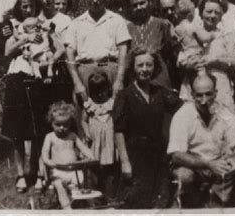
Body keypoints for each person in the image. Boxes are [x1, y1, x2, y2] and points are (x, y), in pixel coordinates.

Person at [114, 47, 183, 208]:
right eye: (140, 65)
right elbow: (119, 131)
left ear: (155, 67)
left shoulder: (161, 92)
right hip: (135, 158)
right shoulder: (125, 96)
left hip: (159, 157)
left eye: (149, 65)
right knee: (136, 203)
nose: (145, 69)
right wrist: (125, 162)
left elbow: (184, 109)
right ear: (132, 68)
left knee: (160, 203)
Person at [168, 73, 235, 208]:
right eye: (199, 95)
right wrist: (208, 164)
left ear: (216, 93)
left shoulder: (224, 113)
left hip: (217, 163)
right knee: (184, 175)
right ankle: (189, 204)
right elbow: (176, 155)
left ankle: (215, 202)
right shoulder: (182, 115)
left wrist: (234, 157)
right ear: (192, 95)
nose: (204, 100)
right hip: (194, 165)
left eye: (208, 94)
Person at [65, 0, 131, 134]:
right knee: (85, 116)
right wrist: (77, 83)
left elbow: (123, 51)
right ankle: (88, 153)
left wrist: (119, 80)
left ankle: (115, 155)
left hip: (110, 69)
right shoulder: (76, 23)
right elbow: (69, 55)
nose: (95, 0)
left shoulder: (116, 20)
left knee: (114, 114)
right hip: (85, 72)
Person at [1, 0, 44, 193]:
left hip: (35, 77)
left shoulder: (41, 24)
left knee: (36, 128)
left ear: (36, 7)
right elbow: (8, 51)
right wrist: (25, 39)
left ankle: (37, 173)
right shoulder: (13, 26)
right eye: (24, 6)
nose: (28, 10)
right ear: (19, 7)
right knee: (17, 131)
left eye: (31, 6)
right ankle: (20, 174)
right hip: (16, 77)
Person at [178, 0, 235, 113]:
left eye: (217, 12)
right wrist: (190, 64)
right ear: (200, 13)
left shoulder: (226, 35)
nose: (212, 15)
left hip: (219, 85)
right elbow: (180, 61)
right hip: (194, 84)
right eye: (209, 11)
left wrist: (215, 60)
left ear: (222, 15)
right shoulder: (191, 32)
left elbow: (234, 62)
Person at [41, 101, 95, 209]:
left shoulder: (72, 136)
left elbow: (83, 148)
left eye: (65, 125)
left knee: (83, 181)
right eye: (58, 125)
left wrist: (91, 156)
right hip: (58, 171)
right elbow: (44, 153)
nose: (62, 128)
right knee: (59, 185)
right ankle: (67, 208)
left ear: (70, 124)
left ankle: (88, 204)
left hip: (74, 171)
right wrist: (48, 161)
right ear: (51, 123)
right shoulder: (50, 137)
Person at [126, 0, 176, 89]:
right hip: (135, 80)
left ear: (149, 2)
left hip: (159, 79)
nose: (139, 7)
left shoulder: (162, 24)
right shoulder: (128, 28)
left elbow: (170, 55)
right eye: (135, 6)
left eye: (142, 3)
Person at [81, 72, 117, 201]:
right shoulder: (90, 105)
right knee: (94, 169)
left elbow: (117, 120)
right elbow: (84, 120)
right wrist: (86, 132)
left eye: (102, 91)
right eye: (96, 93)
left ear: (108, 89)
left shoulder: (111, 104)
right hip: (95, 141)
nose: (100, 95)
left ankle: (110, 196)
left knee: (110, 170)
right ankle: (95, 197)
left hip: (108, 141)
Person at [17, 17, 64, 82]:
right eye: (31, 28)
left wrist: (46, 28)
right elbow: (20, 38)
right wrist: (27, 37)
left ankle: (50, 69)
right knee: (34, 65)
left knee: (50, 56)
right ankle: (38, 76)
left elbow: (49, 30)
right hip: (35, 56)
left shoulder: (42, 33)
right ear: (26, 30)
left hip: (46, 52)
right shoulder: (27, 37)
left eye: (36, 26)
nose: (35, 29)